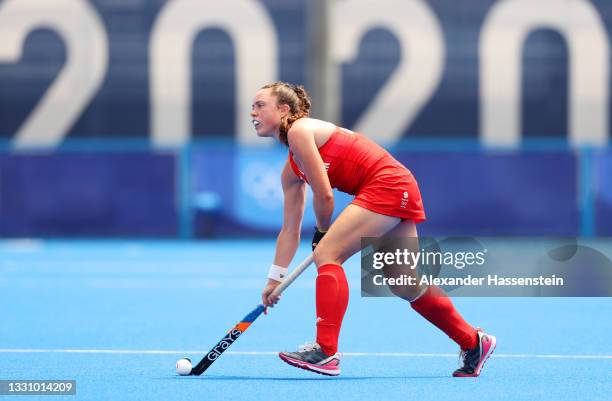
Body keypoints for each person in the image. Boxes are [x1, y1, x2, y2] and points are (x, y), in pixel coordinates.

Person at [252, 81, 496, 377]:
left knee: (328, 254)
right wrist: (274, 278)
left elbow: (325, 194)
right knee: (404, 282)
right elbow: (289, 230)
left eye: (260, 105)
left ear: (284, 109)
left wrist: (321, 235)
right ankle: (473, 342)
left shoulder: (299, 131)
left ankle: (325, 351)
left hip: (387, 184)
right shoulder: (291, 171)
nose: (252, 112)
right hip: (398, 186)